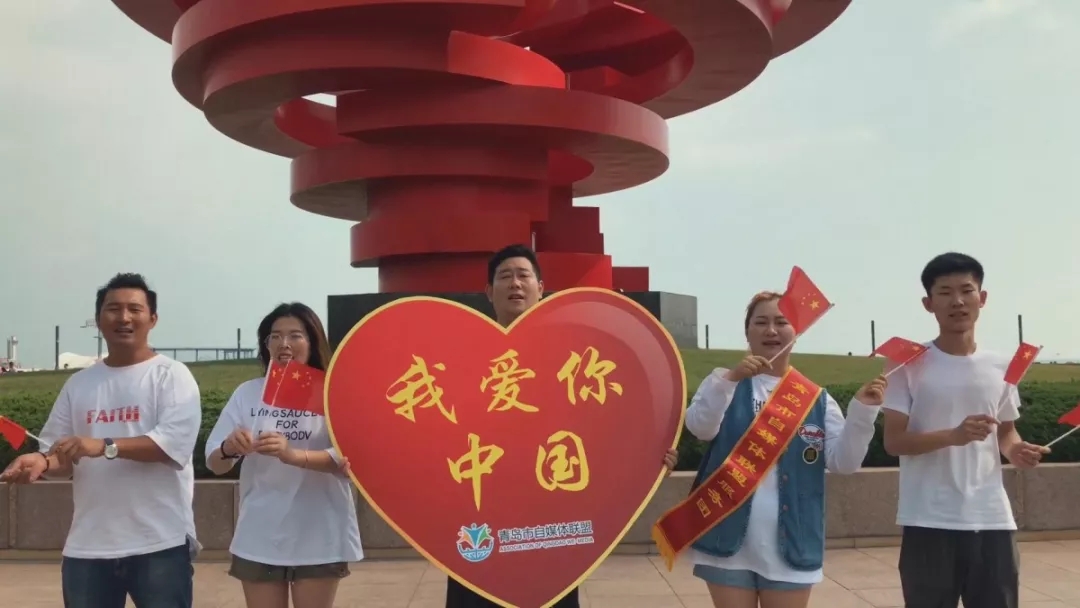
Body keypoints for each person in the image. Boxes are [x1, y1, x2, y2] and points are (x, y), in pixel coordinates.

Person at [445, 244, 679, 608]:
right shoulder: (464, 358)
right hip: (482, 526)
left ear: (541, 288)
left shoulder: (570, 359)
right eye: (505, 276)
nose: (515, 284)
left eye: (523, 275)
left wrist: (651, 458)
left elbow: (608, 431)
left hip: (550, 529)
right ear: (489, 292)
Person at [0, 273, 202, 608]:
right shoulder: (79, 384)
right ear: (98, 320)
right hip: (87, 549)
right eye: (113, 309)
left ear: (153, 319)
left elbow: (170, 446)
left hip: (159, 545)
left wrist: (103, 445)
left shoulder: (171, 375)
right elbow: (61, 455)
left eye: (134, 309)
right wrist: (42, 462)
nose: (124, 317)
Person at [684, 290, 886, 608]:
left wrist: (863, 413)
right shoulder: (723, 382)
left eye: (781, 322)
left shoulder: (817, 399)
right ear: (747, 331)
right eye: (761, 322)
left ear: (796, 332)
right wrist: (732, 379)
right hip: (726, 538)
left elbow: (843, 463)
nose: (771, 330)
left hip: (793, 542)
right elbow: (700, 427)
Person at [881, 252, 1048, 608]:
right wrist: (952, 436)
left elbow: (1006, 433)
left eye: (966, 290)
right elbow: (894, 441)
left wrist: (1017, 451)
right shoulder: (906, 362)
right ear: (928, 304)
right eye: (945, 293)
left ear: (981, 298)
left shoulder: (1002, 366)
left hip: (992, 518)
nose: (957, 301)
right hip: (929, 518)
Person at [204, 302, 362, 608]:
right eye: (274, 336)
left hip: (320, 533)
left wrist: (292, 455)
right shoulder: (248, 393)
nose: (284, 343)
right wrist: (228, 447)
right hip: (260, 533)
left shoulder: (331, 391)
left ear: (313, 342)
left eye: (295, 335)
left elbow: (348, 458)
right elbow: (215, 462)